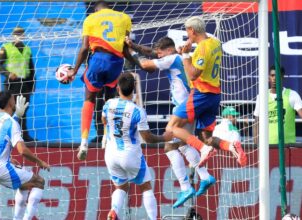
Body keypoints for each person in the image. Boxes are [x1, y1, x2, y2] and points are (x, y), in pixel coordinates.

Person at [125, 36, 215, 208]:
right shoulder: (179, 57)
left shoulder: (173, 58)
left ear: (168, 49)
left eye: (160, 54)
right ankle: (204, 176)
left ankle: (186, 186)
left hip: (183, 106)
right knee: (182, 145)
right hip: (192, 103)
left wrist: (129, 53)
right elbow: (152, 52)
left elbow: (146, 65)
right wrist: (134, 46)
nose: (158, 57)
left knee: (169, 145)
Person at [165, 17, 247, 168]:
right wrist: (187, 53)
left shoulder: (202, 48)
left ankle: (204, 150)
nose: (187, 35)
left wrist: (185, 55)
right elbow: (201, 59)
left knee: (171, 128)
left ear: (192, 30)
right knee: (207, 137)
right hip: (214, 96)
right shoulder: (215, 42)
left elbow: (193, 74)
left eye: (187, 31)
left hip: (200, 94)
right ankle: (231, 146)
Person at [66, 0, 134, 160]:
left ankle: (83, 142)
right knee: (109, 99)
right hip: (116, 63)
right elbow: (126, 47)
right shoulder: (124, 18)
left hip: (98, 60)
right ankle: (106, 136)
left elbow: (84, 48)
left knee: (89, 99)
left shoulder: (90, 19)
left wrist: (74, 70)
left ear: (96, 10)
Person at [102, 73, 173, 220]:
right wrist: (164, 137)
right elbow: (147, 138)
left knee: (121, 187)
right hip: (130, 154)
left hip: (111, 154)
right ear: (134, 89)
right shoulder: (137, 111)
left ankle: (114, 211)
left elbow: (103, 120)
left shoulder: (108, 104)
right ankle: (154, 218)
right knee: (146, 187)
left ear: (117, 88)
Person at [0, 91, 50, 219]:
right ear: (10, 102)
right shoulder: (12, 123)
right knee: (39, 181)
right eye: (13, 99)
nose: (15, 101)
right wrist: (40, 162)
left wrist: (8, 157)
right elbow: (22, 150)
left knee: (24, 185)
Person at [0, 27, 35, 141]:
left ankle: (24, 135)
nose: (19, 36)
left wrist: (32, 85)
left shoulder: (27, 49)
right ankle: (9, 134)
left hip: (25, 83)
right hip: (12, 83)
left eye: (21, 34)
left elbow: (31, 68)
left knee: (23, 109)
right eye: (17, 34)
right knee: (11, 108)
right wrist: (8, 74)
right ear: (13, 35)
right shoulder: (6, 47)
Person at [253, 66, 302, 145]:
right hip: (267, 147)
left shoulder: (292, 95)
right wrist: (256, 145)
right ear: (269, 77)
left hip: (288, 146)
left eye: (277, 76)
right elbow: (256, 122)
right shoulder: (262, 96)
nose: (274, 78)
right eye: (272, 75)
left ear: (282, 77)